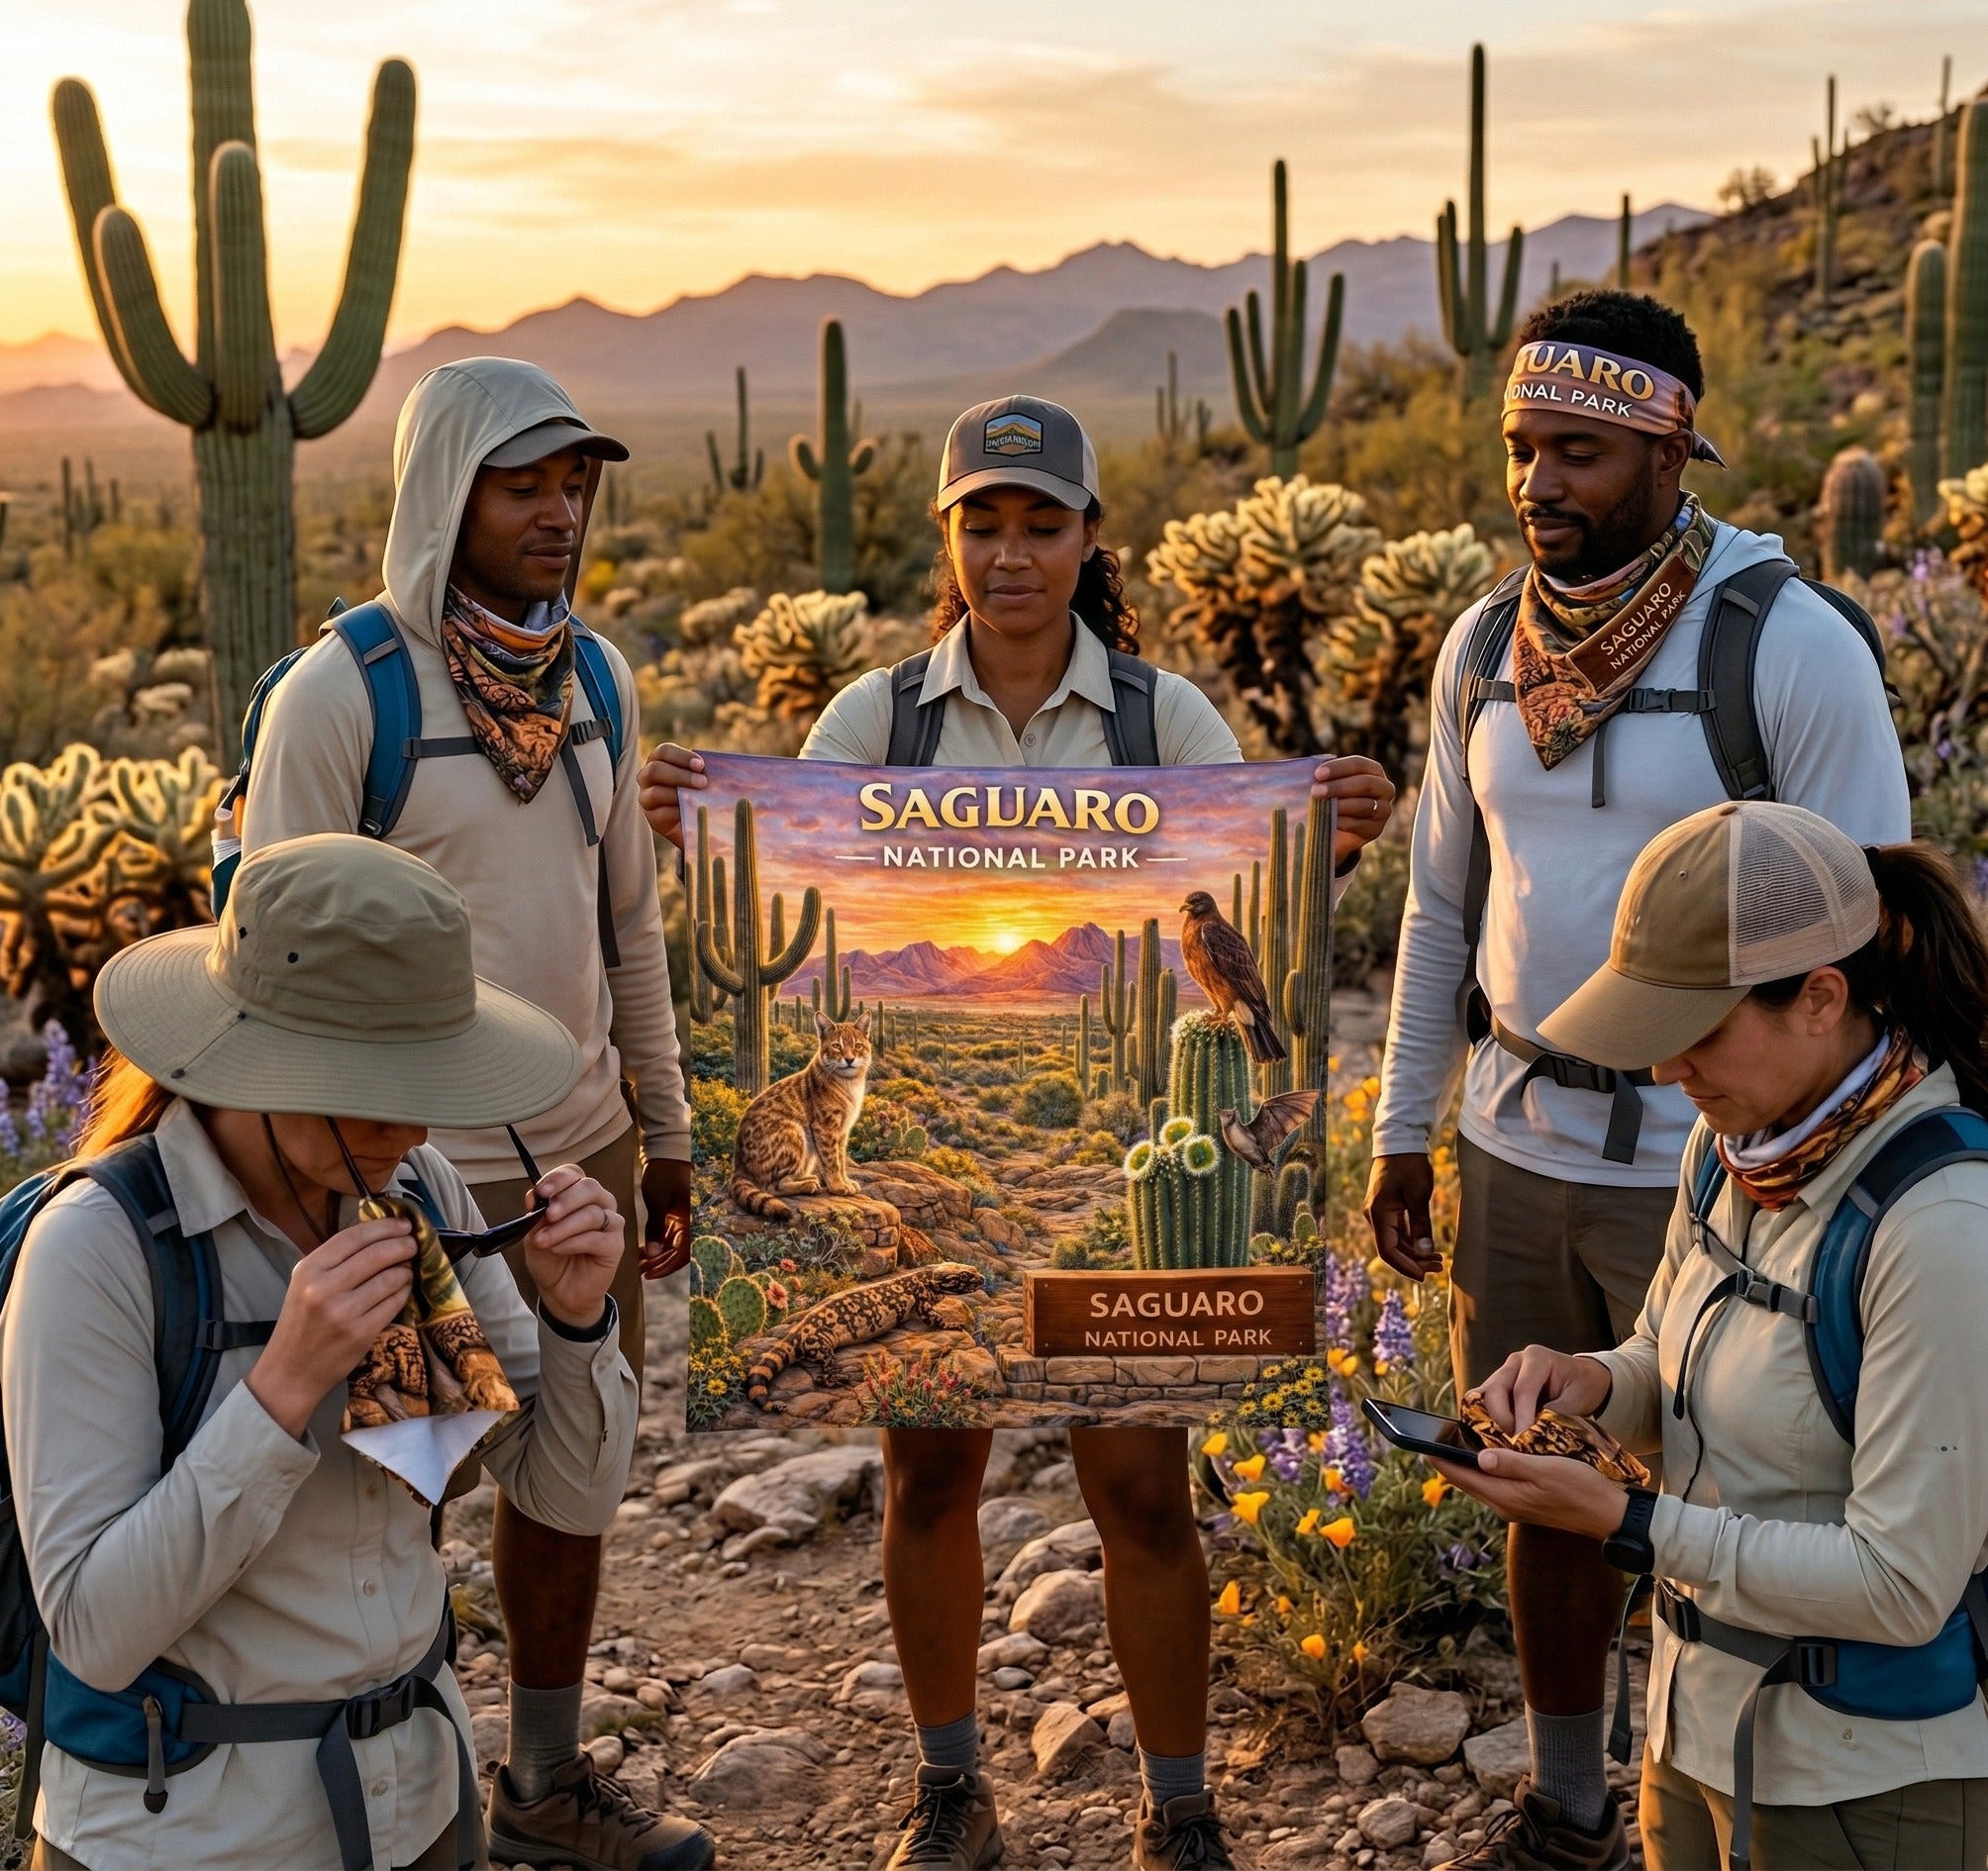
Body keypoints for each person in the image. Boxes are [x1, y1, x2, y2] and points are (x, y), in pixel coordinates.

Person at [641, 394, 1397, 1870]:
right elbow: (809, 912)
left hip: (1132, 1153)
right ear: (948, 539)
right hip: (942, 1149)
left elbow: (1246, 896)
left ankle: (1180, 1809)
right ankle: (950, 1789)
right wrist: (716, 834)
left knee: (1138, 1486)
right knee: (933, 1474)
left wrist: (1329, 836)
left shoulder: (1160, 719)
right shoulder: (877, 721)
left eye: (1041, 524)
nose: (1011, 556)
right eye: (982, 525)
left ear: (1089, 537)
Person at [1366, 290, 1912, 1869]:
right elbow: (1440, 914)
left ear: (1674, 446)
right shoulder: (1482, 646)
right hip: (1518, 1139)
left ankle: (1726, 1800)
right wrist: (1410, 1129)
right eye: (1524, 448)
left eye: (1582, 452)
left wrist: (1842, 1166)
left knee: (1740, 1480)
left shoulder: (1789, 645)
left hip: (1730, 1158)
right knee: (1534, 1476)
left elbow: (1871, 927)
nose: (1541, 484)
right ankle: (1569, 1800)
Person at [242, 358, 713, 1868]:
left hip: (582, 1152)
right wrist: (320, 1186)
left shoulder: (600, 681)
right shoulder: (344, 696)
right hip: (400, 1178)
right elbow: (269, 968)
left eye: (578, 483)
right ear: (451, 494)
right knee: (400, 1488)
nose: (564, 513)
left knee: (577, 1470)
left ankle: (546, 1786)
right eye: (529, 485)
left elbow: (626, 927)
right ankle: (398, 1791)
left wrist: (670, 1130)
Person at [0, 834, 642, 1871]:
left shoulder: (415, 1188)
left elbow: (565, 1497)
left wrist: (574, 1319)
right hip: (191, 1839)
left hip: (422, 1807)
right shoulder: (98, 1247)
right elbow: (94, 1630)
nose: (416, 1118)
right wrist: (282, 1387)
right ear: (263, 1058)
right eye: (378, 1082)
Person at [1435, 801, 1988, 1871]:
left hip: (1864, 1788)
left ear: (1820, 995)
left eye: (1694, 1029)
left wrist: (1630, 1520)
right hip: (1694, 1740)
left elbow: (1899, 1581)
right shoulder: (1734, 1145)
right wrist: (1590, 1381)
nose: (1662, 1070)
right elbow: (1666, 1352)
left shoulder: (1937, 1226)